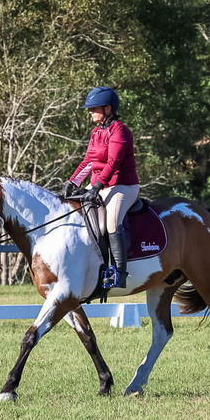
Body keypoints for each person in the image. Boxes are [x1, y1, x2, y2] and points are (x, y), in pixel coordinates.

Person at [63, 86, 139, 288]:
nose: (90, 112)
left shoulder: (119, 131)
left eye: (94, 108)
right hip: (100, 184)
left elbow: (113, 162)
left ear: (108, 108)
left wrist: (96, 187)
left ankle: (119, 273)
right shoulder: (97, 132)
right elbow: (89, 161)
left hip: (122, 186)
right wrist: (73, 182)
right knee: (81, 216)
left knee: (111, 223)